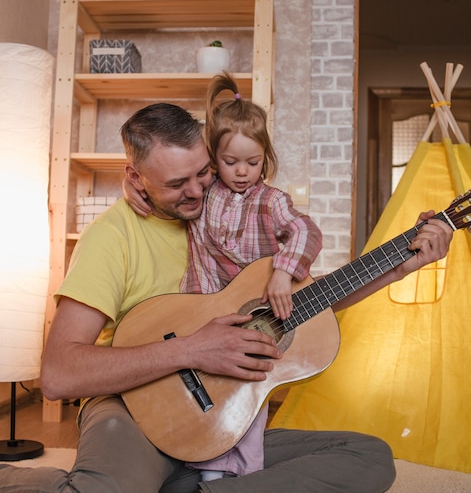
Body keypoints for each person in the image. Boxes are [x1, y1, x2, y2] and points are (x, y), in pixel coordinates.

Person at [0, 102, 453, 493]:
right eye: (178, 183)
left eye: (203, 172)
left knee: (367, 456)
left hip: (218, 420)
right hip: (133, 406)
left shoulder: (229, 208)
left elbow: (301, 304)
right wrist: (192, 349)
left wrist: (400, 265)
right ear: (136, 179)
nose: (197, 191)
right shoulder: (112, 238)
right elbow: (58, 375)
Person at [124, 72, 322, 481]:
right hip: (197, 314)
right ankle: (196, 459)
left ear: (265, 157)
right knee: (196, 394)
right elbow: (163, 186)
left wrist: (284, 273)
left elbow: (305, 230)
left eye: (253, 162)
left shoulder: (271, 201)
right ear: (213, 159)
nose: (242, 172)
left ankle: (233, 474)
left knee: (248, 394)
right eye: (230, 162)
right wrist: (131, 185)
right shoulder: (206, 190)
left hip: (248, 322)